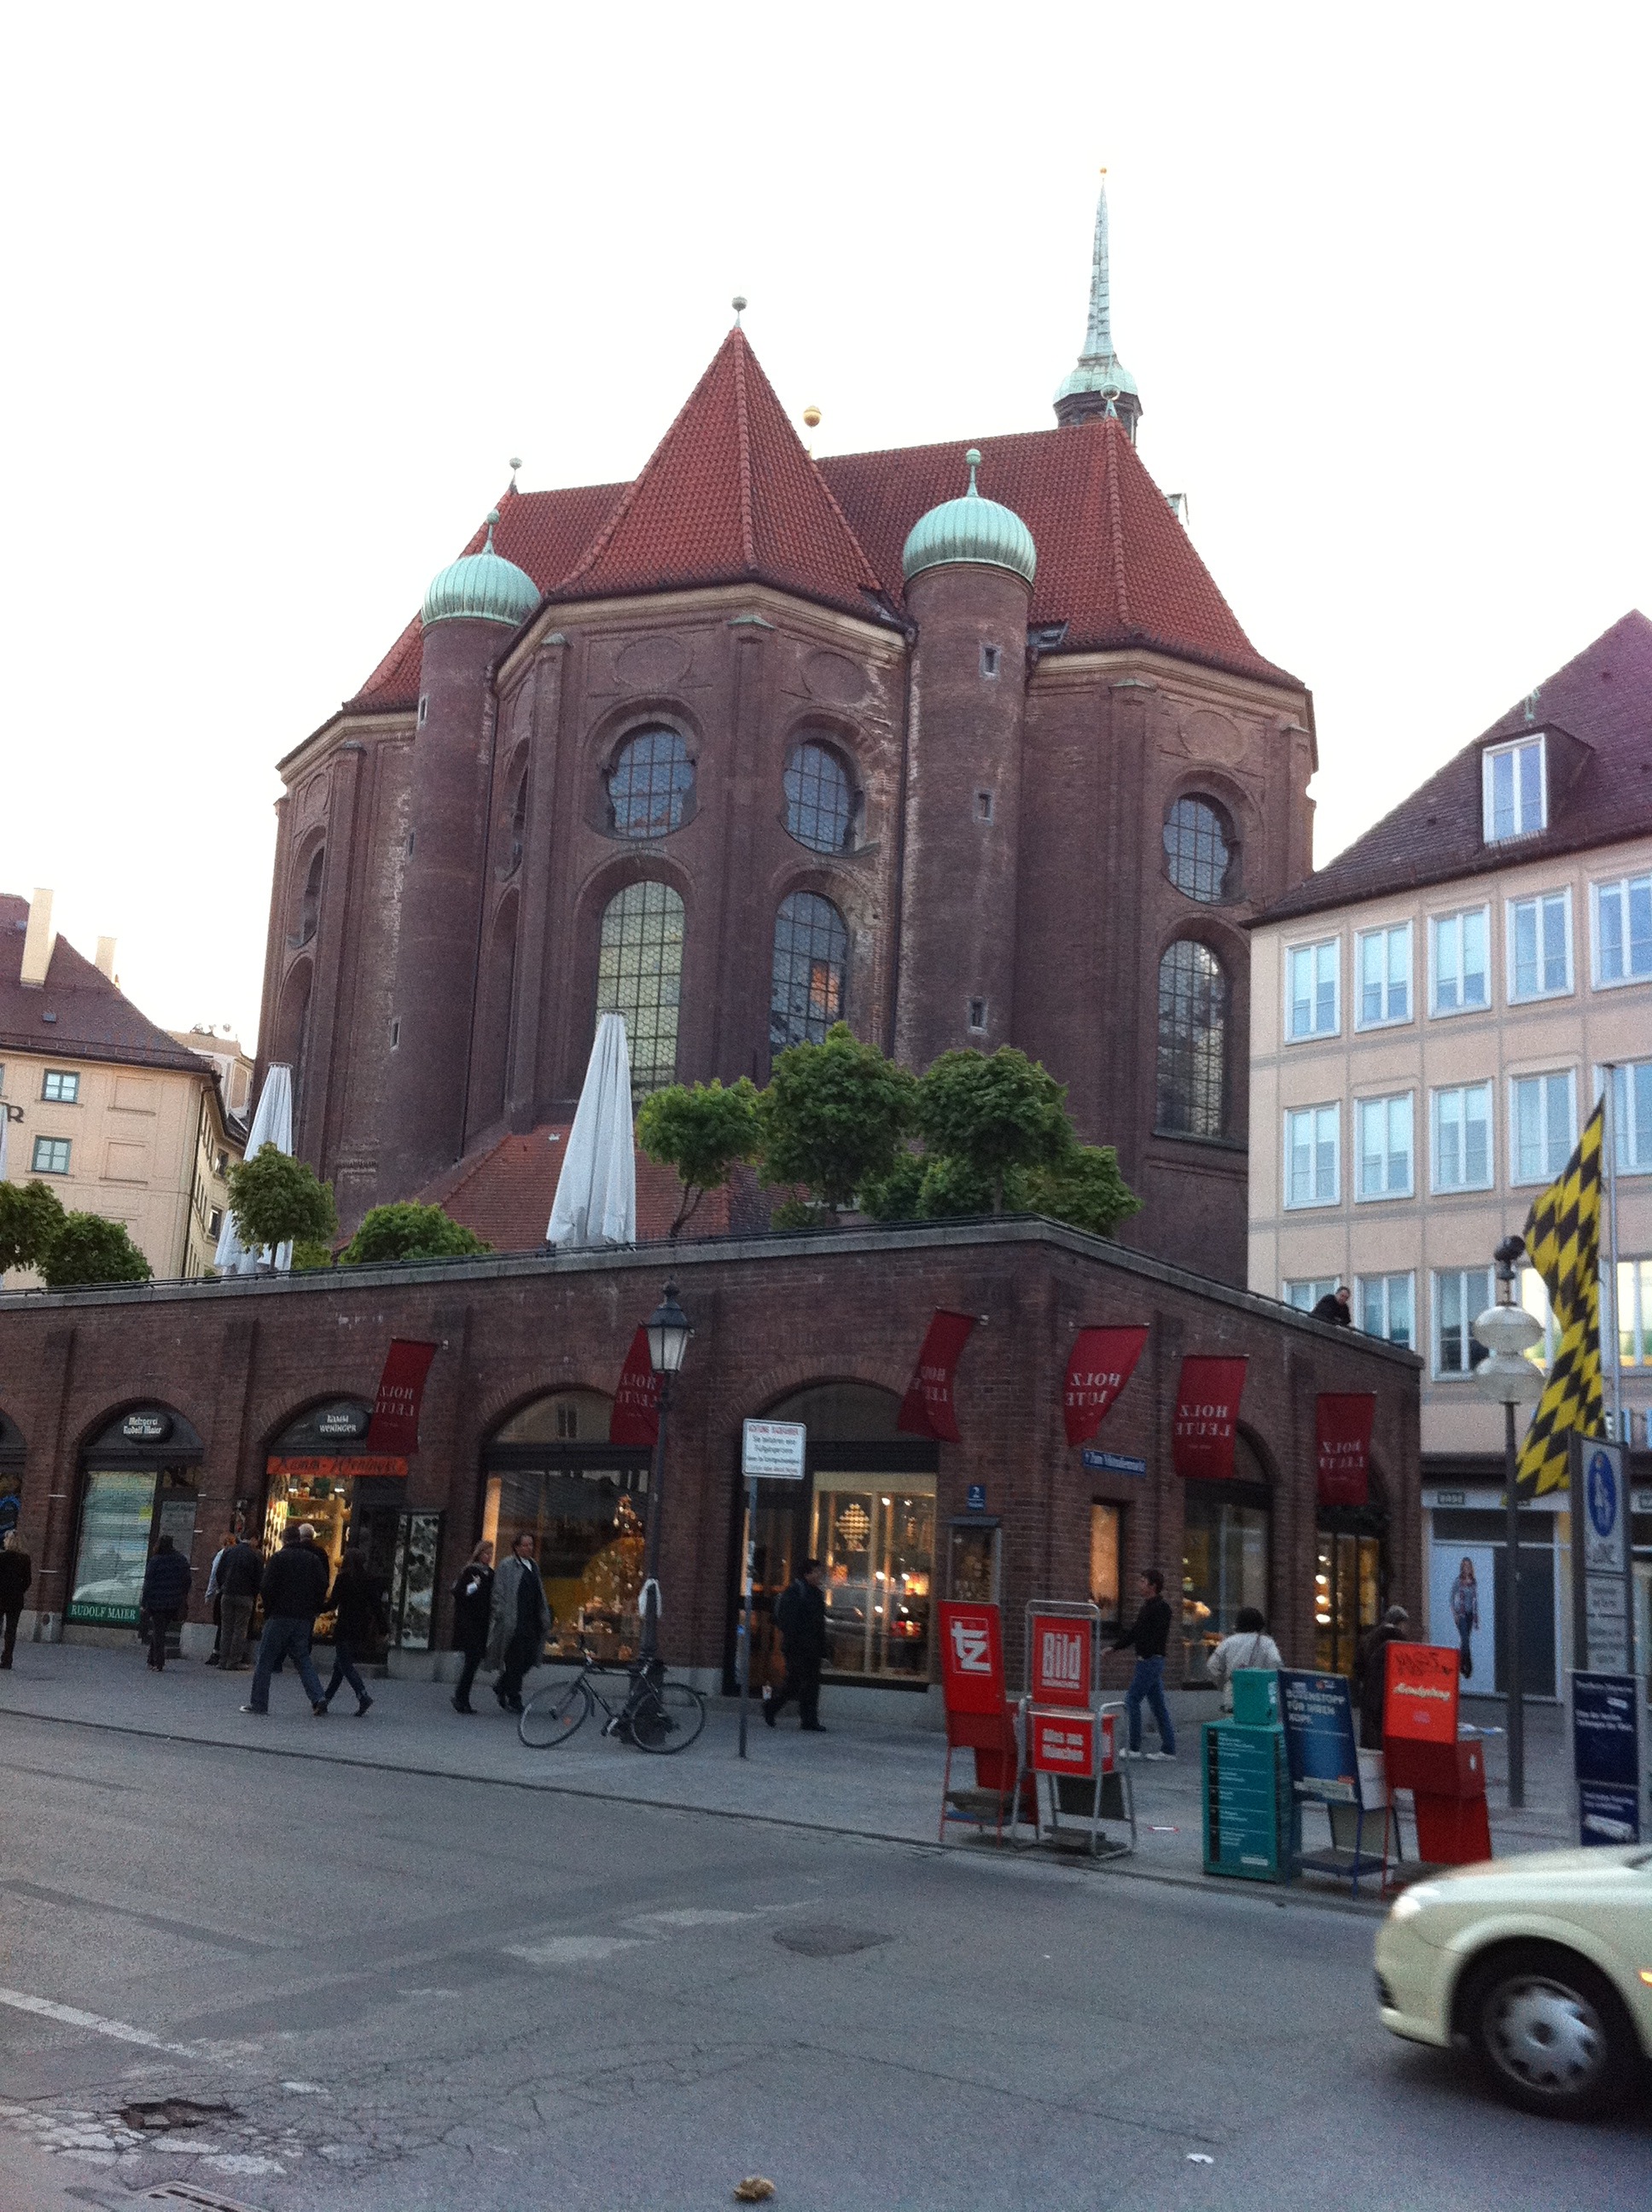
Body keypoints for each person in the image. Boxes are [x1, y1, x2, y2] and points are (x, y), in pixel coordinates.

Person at [242, 1522, 331, 1716]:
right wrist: (314, 1606)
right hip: (303, 1617)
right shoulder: (312, 1559)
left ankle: (259, 1703)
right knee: (302, 1658)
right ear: (299, 1539)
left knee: (265, 1658)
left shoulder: (278, 1558)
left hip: (280, 1615)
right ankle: (318, 1697)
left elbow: (266, 1586)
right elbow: (323, 1584)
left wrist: (270, 1608)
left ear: (284, 1540)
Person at [1112, 1569, 1176, 1759]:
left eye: (1143, 1581)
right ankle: (1168, 1749)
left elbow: (1152, 1635)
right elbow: (1135, 1632)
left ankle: (1133, 1747)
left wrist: (1145, 1653)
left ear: (1152, 1586)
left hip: (1150, 1660)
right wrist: (1115, 1647)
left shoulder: (1161, 1608)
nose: (1139, 1584)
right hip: (1149, 1660)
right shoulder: (1147, 1607)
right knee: (1157, 1705)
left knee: (1132, 1700)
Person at [488, 1533, 550, 1714]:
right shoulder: (507, 1565)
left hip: (531, 1622)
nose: (529, 1548)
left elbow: (539, 1593)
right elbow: (498, 1591)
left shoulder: (533, 1566)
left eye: (531, 1545)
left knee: (530, 1658)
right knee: (516, 1660)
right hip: (514, 1621)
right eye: (525, 1545)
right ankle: (514, 1697)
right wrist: (501, 1613)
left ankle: (502, 1685)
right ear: (516, 1547)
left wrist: (543, 1615)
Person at [765, 1560, 829, 1732]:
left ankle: (809, 1720)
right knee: (795, 1683)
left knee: (812, 1684)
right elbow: (788, 1623)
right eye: (816, 1572)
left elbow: (819, 1624)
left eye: (820, 1571)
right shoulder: (795, 1592)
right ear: (807, 1574)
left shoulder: (816, 1593)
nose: (820, 1575)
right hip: (797, 1648)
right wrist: (797, 1642)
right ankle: (771, 1707)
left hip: (813, 1647)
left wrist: (823, 1648)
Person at [323, 1545, 381, 1715]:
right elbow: (376, 1605)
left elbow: (333, 1603)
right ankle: (325, 1699)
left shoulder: (343, 1579)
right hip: (360, 1626)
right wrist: (383, 1626)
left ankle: (363, 1695)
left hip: (344, 1625)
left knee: (345, 1665)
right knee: (339, 1667)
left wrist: (318, 1607)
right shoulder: (369, 1579)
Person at [1353, 1604, 1410, 1749]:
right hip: (1392, 1695)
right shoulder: (1401, 1642)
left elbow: (1358, 1666)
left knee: (1370, 1736)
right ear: (1400, 1623)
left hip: (1369, 1693)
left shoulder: (1369, 1638)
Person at [1206, 1606, 1283, 1711]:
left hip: (1233, 1695)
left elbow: (1212, 1666)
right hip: (1259, 1696)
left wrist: (1224, 1683)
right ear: (1260, 1624)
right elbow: (1275, 1662)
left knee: (1232, 1719)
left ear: (1238, 1623)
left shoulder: (1228, 1642)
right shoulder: (1267, 1643)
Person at [450, 1540, 494, 1714]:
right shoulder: (471, 1571)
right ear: (479, 1554)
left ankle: (463, 1697)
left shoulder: (490, 1573)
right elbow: (459, 1592)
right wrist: (474, 1586)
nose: (489, 1557)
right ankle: (461, 1696)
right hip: (469, 1621)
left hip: (482, 1622)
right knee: (472, 1659)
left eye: (491, 1554)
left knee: (473, 1662)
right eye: (486, 1553)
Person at [139, 1534, 192, 1671]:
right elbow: (187, 1580)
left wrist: (144, 1603)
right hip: (174, 1601)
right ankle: (151, 1659)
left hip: (157, 1601)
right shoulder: (180, 1560)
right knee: (160, 1630)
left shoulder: (155, 1560)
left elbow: (148, 1583)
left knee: (158, 1631)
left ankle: (158, 1662)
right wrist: (182, 1596)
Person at [216, 1528, 263, 1671]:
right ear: (254, 1539)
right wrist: (254, 1593)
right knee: (240, 1629)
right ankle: (234, 1661)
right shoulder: (255, 1555)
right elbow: (259, 1577)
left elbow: (219, 1572)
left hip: (227, 1593)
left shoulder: (229, 1551)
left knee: (226, 1628)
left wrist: (223, 1586)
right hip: (245, 1595)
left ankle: (223, 1660)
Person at [202, 1526, 237, 1665]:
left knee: (222, 1624)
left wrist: (209, 1593)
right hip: (235, 1592)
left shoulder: (222, 1554)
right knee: (232, 1625)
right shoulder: (238, 1554)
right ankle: (229, 1654)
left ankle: (217, 1652)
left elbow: (214, 1574)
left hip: (222, 1592)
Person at [0, 1530, 32, 1668]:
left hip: (1, 1597)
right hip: (16, 1599)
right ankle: (7, 1659)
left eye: (5, 1539)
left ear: (9, 1541)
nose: (4, 1541)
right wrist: (19, 1591)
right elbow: (28, 1581)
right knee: (11, 1630)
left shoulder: (2, 1557)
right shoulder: (25, 1559)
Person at [1449, 1557, 1479, 1681]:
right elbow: (1451, 1598)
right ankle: (1467, 1667)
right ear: (1462, 1567)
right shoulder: (1458, 1581)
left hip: (1470, 1614)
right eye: (1464, 1566)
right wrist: (1455, 1614)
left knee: (1465, 1641)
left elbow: (1474, 1600)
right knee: (1465, 1640)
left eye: (1468, 1566)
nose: (1466, 1568)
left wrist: (1476, 1616)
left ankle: (1461, 1664)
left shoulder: (1473, 1582)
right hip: (1461, 1615)